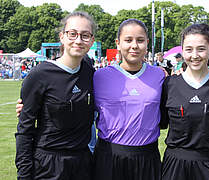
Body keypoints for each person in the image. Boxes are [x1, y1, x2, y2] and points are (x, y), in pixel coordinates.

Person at [15, 11, 96, 180]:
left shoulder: (90, 71)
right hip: (48, 165)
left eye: (85, 35)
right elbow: (24, 130)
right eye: (72, 34)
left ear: (92, 40)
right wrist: (24, 174)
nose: (78, 40)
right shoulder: (39, 74)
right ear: (62, 37)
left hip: (83, 164)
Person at [93, 19, 165, 180]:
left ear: (147, 43)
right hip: (109, 157)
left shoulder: (159, 75)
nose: (134, 45)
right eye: (128, 40)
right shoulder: (99, 77)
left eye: (140, 40)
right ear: (118, 43)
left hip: (147, 158)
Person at [160, 23, 209, 180]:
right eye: (189, 49)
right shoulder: (169, 85)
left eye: (201, 49)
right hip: (175, 167)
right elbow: (161, 122)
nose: (195, 55)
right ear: (182, 51)